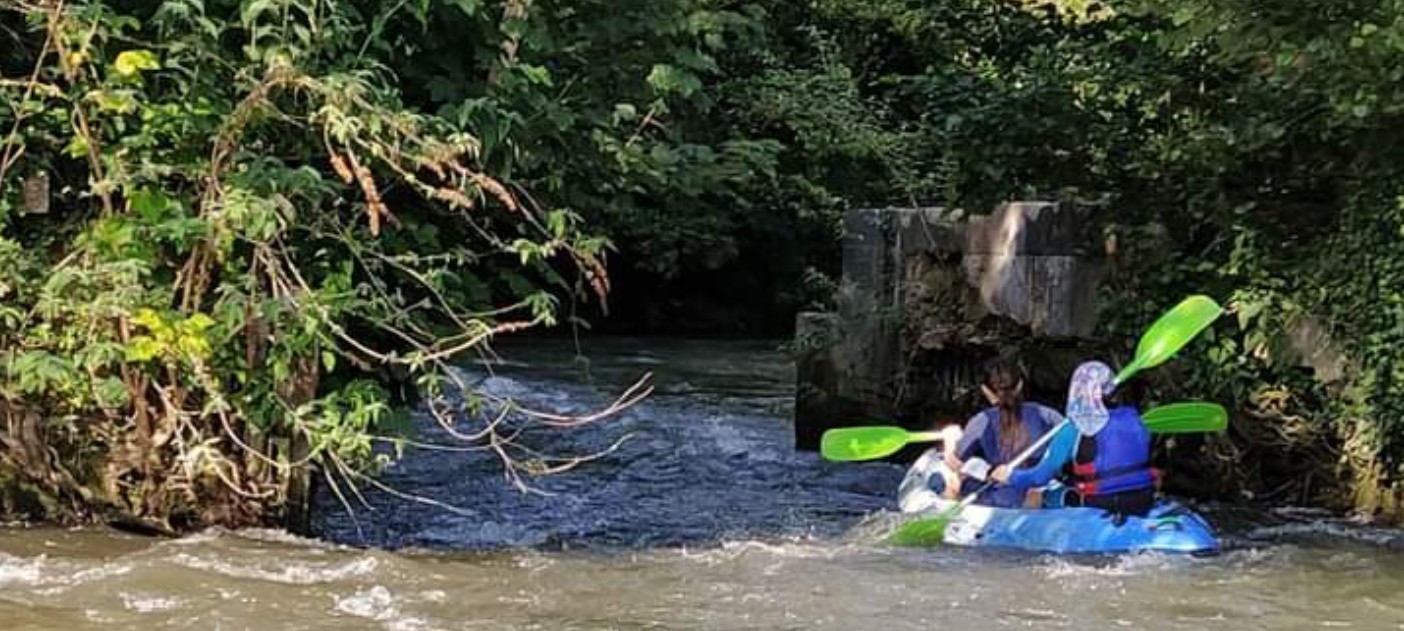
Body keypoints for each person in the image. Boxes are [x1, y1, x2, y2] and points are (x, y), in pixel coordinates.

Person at [989, 362, 1157, 518]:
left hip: (1101, 504)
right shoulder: (1135, 419)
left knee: (1039, 492)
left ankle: (1024, 530)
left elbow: (1039, 477)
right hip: (1143, 500)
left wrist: (1010, 476)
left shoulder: (1074, 427)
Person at [932, 356, 1063, 508]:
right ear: (1020, 385)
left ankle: (951, 497)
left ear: (986, 390)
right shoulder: (1045, 414)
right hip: (1034, 488)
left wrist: (949, 440)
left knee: (952, 475)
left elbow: (954, 462)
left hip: (1001, 495)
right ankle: (1034, 494)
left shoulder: (982, 421)